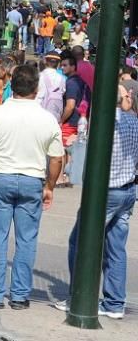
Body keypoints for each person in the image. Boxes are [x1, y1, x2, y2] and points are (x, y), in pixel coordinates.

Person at [0, 64, 65, 310]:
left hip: (1, 177)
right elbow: (56, 158)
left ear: (13, 85)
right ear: (36, 88)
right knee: (26, 239)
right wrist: (50, 186)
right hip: (31, 180)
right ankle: (20, 295)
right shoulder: (47, 119)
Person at [57, 84, 138, 319]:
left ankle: (78, 294)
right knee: (116, 248)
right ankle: (114, 303)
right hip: (127, 190)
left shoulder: (102, 121)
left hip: (106, 192)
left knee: (80, 241)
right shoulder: (133, 122)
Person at [59, 51, 89, 187]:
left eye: (65, 65)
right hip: (81, 119)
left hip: (70, 121)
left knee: (62, 149)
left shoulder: (71, 83)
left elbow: (70, 105)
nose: (62, 68)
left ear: (73, 66)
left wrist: (61, 120)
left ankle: (61, 177)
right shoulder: (82, 81)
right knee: (71, 150)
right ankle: (69, 177)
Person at [38, 52, 65, 121]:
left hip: (40, 115)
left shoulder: (39, 76)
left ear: (45, 61)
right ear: (59, 63)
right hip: (56, 116)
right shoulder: (62, 79)